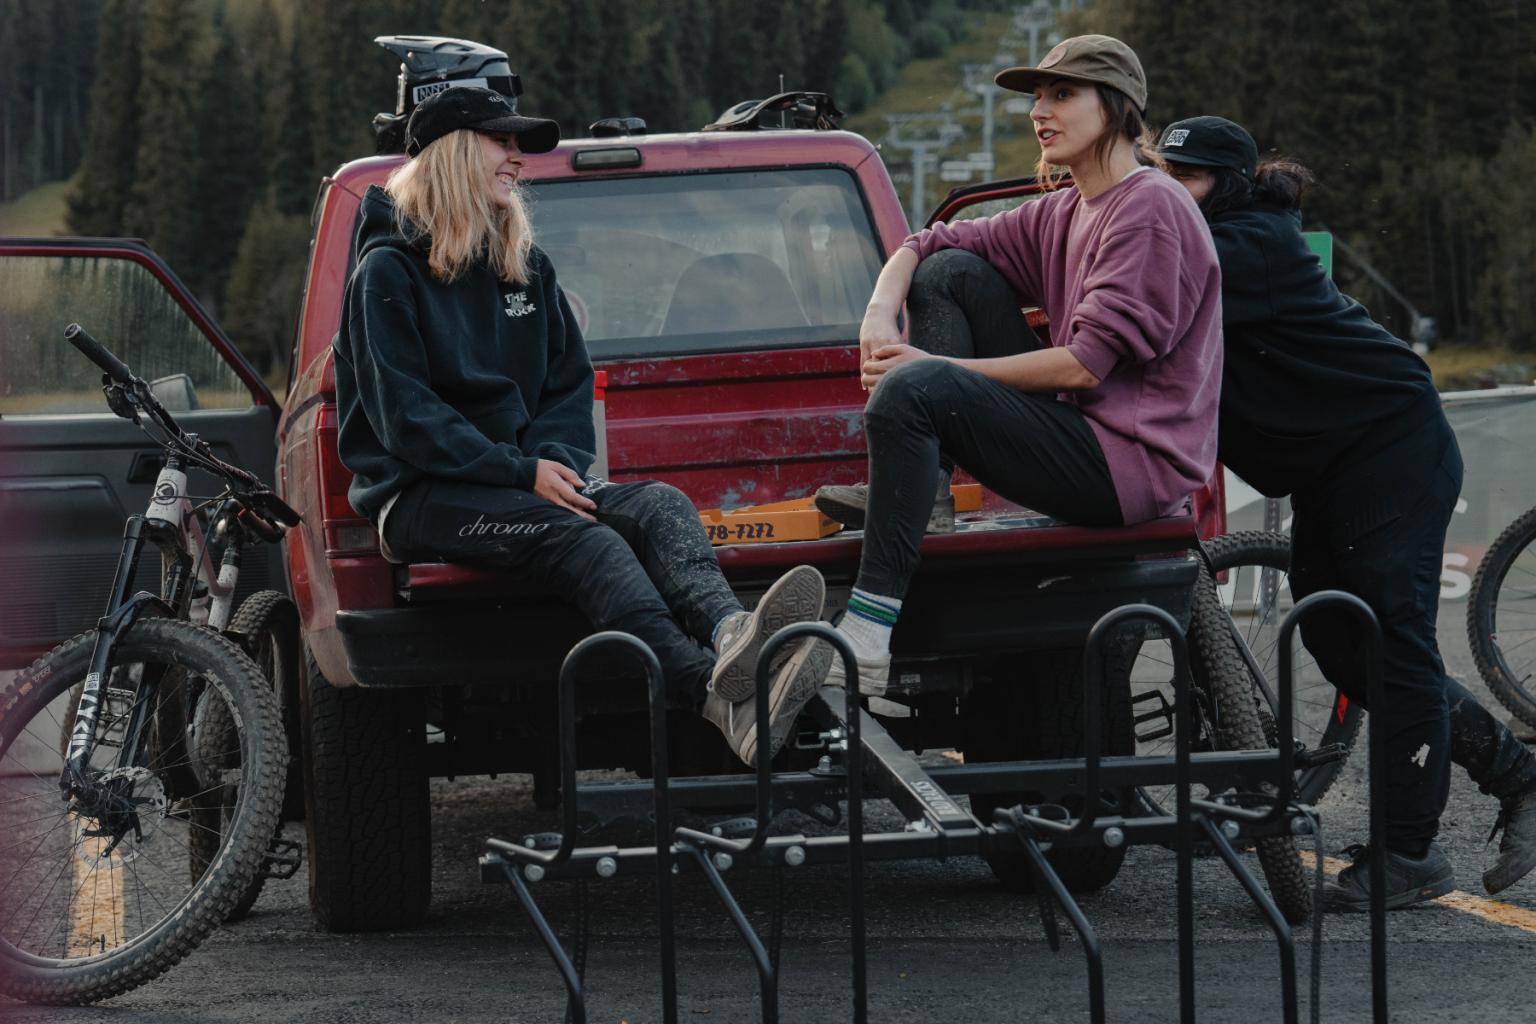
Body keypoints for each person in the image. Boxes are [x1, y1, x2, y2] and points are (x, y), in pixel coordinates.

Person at [332, 86, 831, 768]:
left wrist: (549, 460)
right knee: (586, 542)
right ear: (451, 154)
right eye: (501, 141)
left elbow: (565, 385)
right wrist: (520, 471)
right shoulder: (385, 273)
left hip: (520, 481)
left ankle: (735, 637)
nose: (517, 158)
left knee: (659, 503)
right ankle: (718, 700)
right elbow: (407, 419)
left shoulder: (524, 267)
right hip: (425, 496)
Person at [1156, 115, 1536, 907]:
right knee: (1338, 643)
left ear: (1225, 184)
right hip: (1335, 465)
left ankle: (1409, 857)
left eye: (1186, 178)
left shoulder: (1252, 244)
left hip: (1392, 447)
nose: (1173, 192)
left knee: (1389, 643)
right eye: (1166, 175)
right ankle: (1517, 773)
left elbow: (1153, 288)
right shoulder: (1213, 234)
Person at [812, 35, 1223, 696]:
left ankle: (866, 634)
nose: (1040, 110)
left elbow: (1087, 366)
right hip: (1081, 433)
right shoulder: (1068, 208)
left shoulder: (1150, 208)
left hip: (1129, 465)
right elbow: (930, 242)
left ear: (1115, 106)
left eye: (1062, 94)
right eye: (1036, 96)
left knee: (913, 389)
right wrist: (877, 314)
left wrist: (928, 370)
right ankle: (932, 494)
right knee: (948, 272)